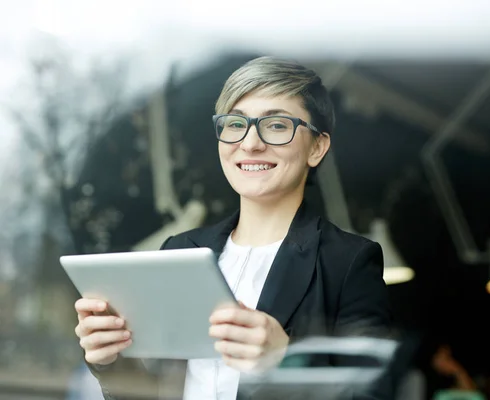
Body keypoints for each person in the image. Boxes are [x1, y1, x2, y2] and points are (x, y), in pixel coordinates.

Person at [73, 56, 394, 400]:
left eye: (276, 125)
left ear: (317, 147)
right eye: (235, 124)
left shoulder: (348, 262)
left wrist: (288, 358)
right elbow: (152, 386)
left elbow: (372, 394)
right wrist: (108, 359)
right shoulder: (179, 250)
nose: (251, 143)